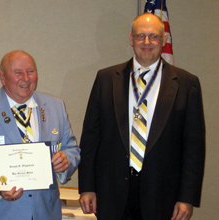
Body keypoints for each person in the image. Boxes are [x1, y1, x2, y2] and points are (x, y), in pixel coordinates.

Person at [78, 13, 205, 220]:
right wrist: (87, 187)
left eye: (153, 36)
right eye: (140, 36)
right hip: (111, 192)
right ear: (131, 39)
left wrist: (187, 197)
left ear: (164, 40)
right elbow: (91, 137)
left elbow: (194, 148)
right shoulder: (106, 79)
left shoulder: (186, 83)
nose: (147, 42)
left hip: (163, 195)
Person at [0, 50, 81, 220]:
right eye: (18, 72)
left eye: (31, 71)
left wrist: (66, 161)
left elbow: (72, 148)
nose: (26, 78)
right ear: (2, 77)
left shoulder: (55, 106)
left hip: (45, 212)